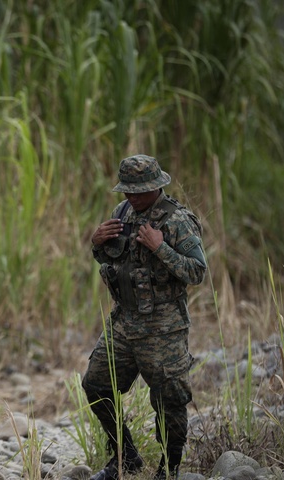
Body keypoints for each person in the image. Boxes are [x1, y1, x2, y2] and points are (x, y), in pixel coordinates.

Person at [84, 155, 207, 480]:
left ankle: (169, 469)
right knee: (96, 385)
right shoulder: (121, 214)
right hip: (124, 320)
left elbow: (197, 272)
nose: (132, 197)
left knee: (169, 399)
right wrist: (96, 244)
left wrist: (160, 248)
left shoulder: (178, 220)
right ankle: (125, 458)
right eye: (128, 191)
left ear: (156, 186)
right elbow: (112, 257)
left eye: (140, 191)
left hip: (163, 325)